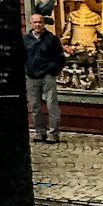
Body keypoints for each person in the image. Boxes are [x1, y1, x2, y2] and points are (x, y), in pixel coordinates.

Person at [24, 11, 66, 144]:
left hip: (48, 76)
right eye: (35, 22)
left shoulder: (51, 39)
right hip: (32, 77)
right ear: (31, 24)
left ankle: (53, 133)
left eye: (40, 22)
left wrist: (53, 71)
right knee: (35, 106)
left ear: (43, 24)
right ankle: (39, 132)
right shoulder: (25, 40)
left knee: (51, 105)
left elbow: (60, 57)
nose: (37, 25)